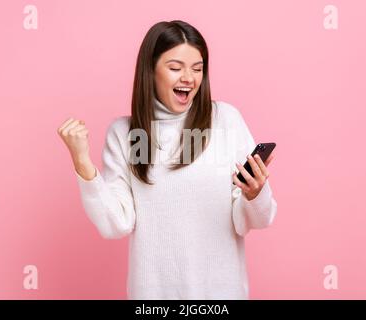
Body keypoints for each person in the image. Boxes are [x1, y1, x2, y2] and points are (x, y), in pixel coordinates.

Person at [57, 20, 277, 300]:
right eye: (175, 68)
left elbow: (256, 219)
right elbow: (115, 224)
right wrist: (82, 162)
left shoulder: (225, 121)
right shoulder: (126, 134)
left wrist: (255, 194)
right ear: (151, 70)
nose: (189, 78)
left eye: (197, 69)